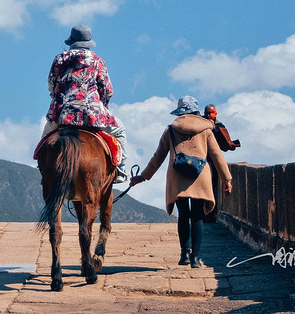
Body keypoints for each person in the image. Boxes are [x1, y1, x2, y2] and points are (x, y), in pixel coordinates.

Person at [129, 96, 232, 268]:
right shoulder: (206, 129)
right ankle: (196, 258)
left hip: (178, 177)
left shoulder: (170, 130)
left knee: (183, 215)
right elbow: (217, 156)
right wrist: (226, 179)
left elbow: (158, 157)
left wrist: (143, 177)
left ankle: (184, 253)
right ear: (196, 111)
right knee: (198, 216)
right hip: (200, 176)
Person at [41, 24, 128, 182]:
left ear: (71, 41)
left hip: (62, 115)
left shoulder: (59, 59)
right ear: (89, 42)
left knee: (45, 138)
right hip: (92, 116)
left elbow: (51, 85)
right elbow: (107, 90)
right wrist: (103, 107)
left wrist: (59, 100)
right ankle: (121, 169)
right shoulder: (97, 61)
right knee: (120, 130)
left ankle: (44, 169)